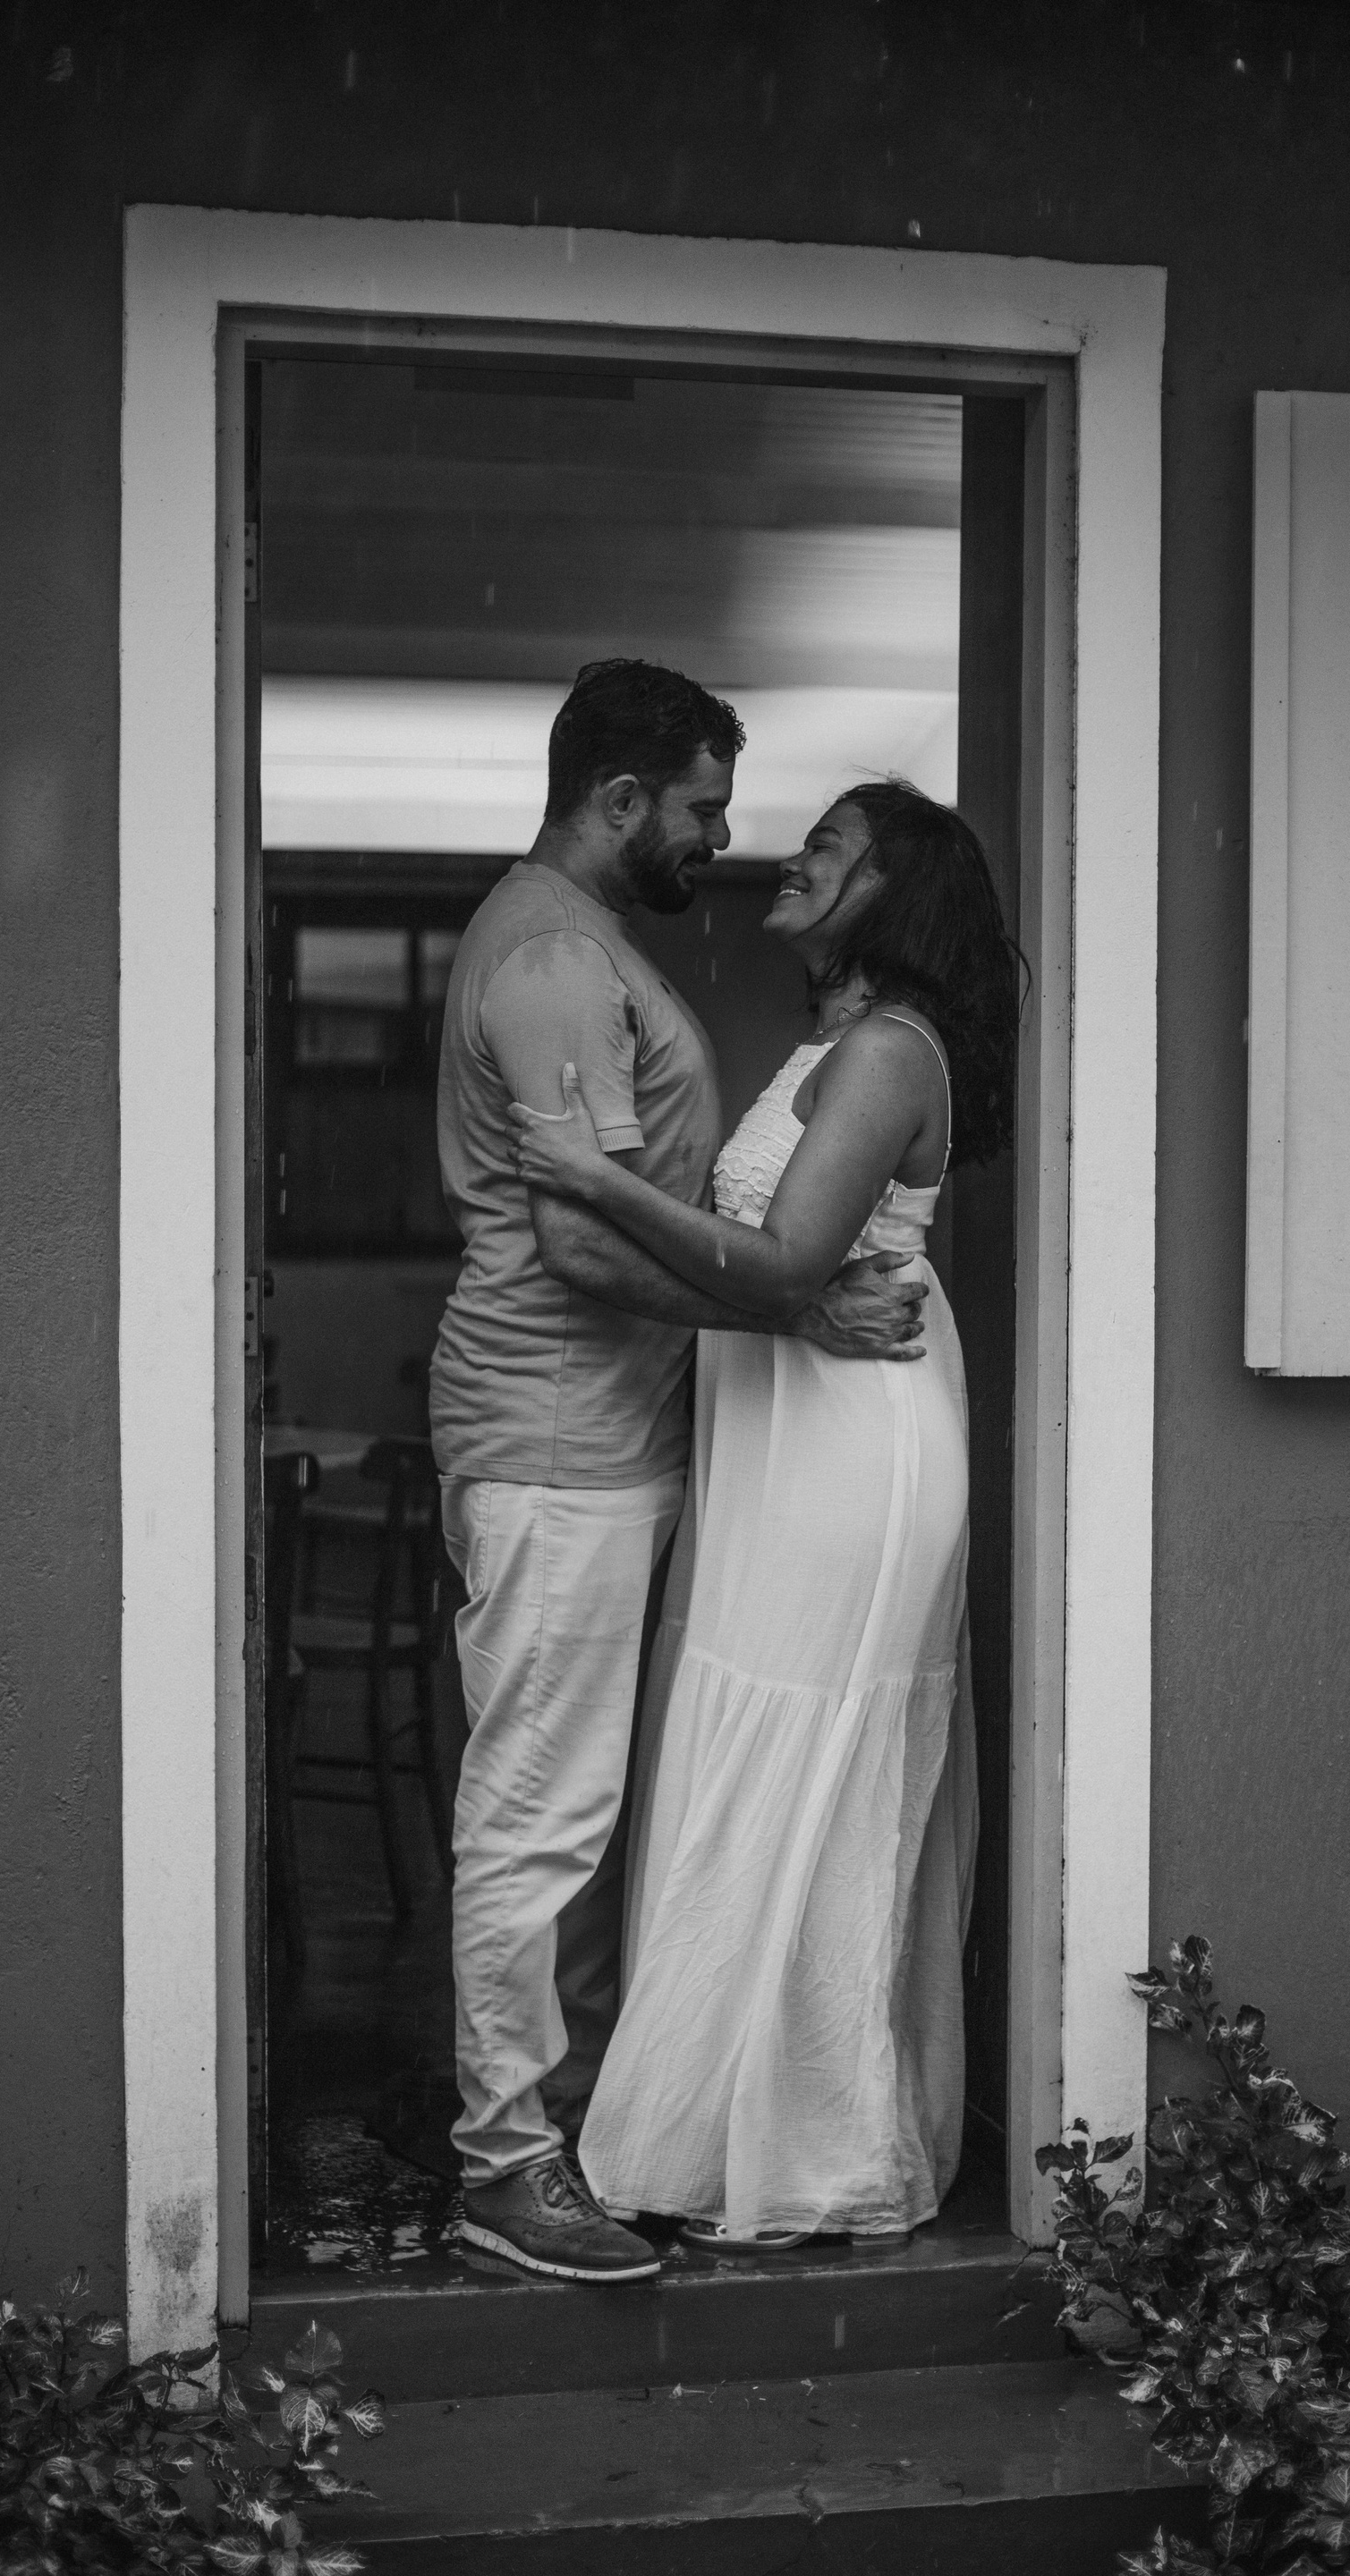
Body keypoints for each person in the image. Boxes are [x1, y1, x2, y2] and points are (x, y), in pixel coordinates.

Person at [429, 662, 930, 2284]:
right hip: (554, 1436)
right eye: (703, 808)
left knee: (570, 1806)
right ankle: (506, 2166)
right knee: (539, 1813)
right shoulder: (559, 962)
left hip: (603, 1438)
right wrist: (794, 1304)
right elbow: (576, 1242)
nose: (721, 839)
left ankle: (562, 2117)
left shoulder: (580, 944)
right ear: (623, 797)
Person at [508, 780, 1022, 2248]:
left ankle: (812, 2152)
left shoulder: (890, 1051)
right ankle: (720, 2128)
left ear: (891, 894)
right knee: (752, 1746)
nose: (793, 860)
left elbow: (790, 1262)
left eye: (829, 848)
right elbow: (786, 1276)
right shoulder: (835, 1045)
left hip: (852, 1449)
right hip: (787, 1430)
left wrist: (593, 1180)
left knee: (804, 1758)